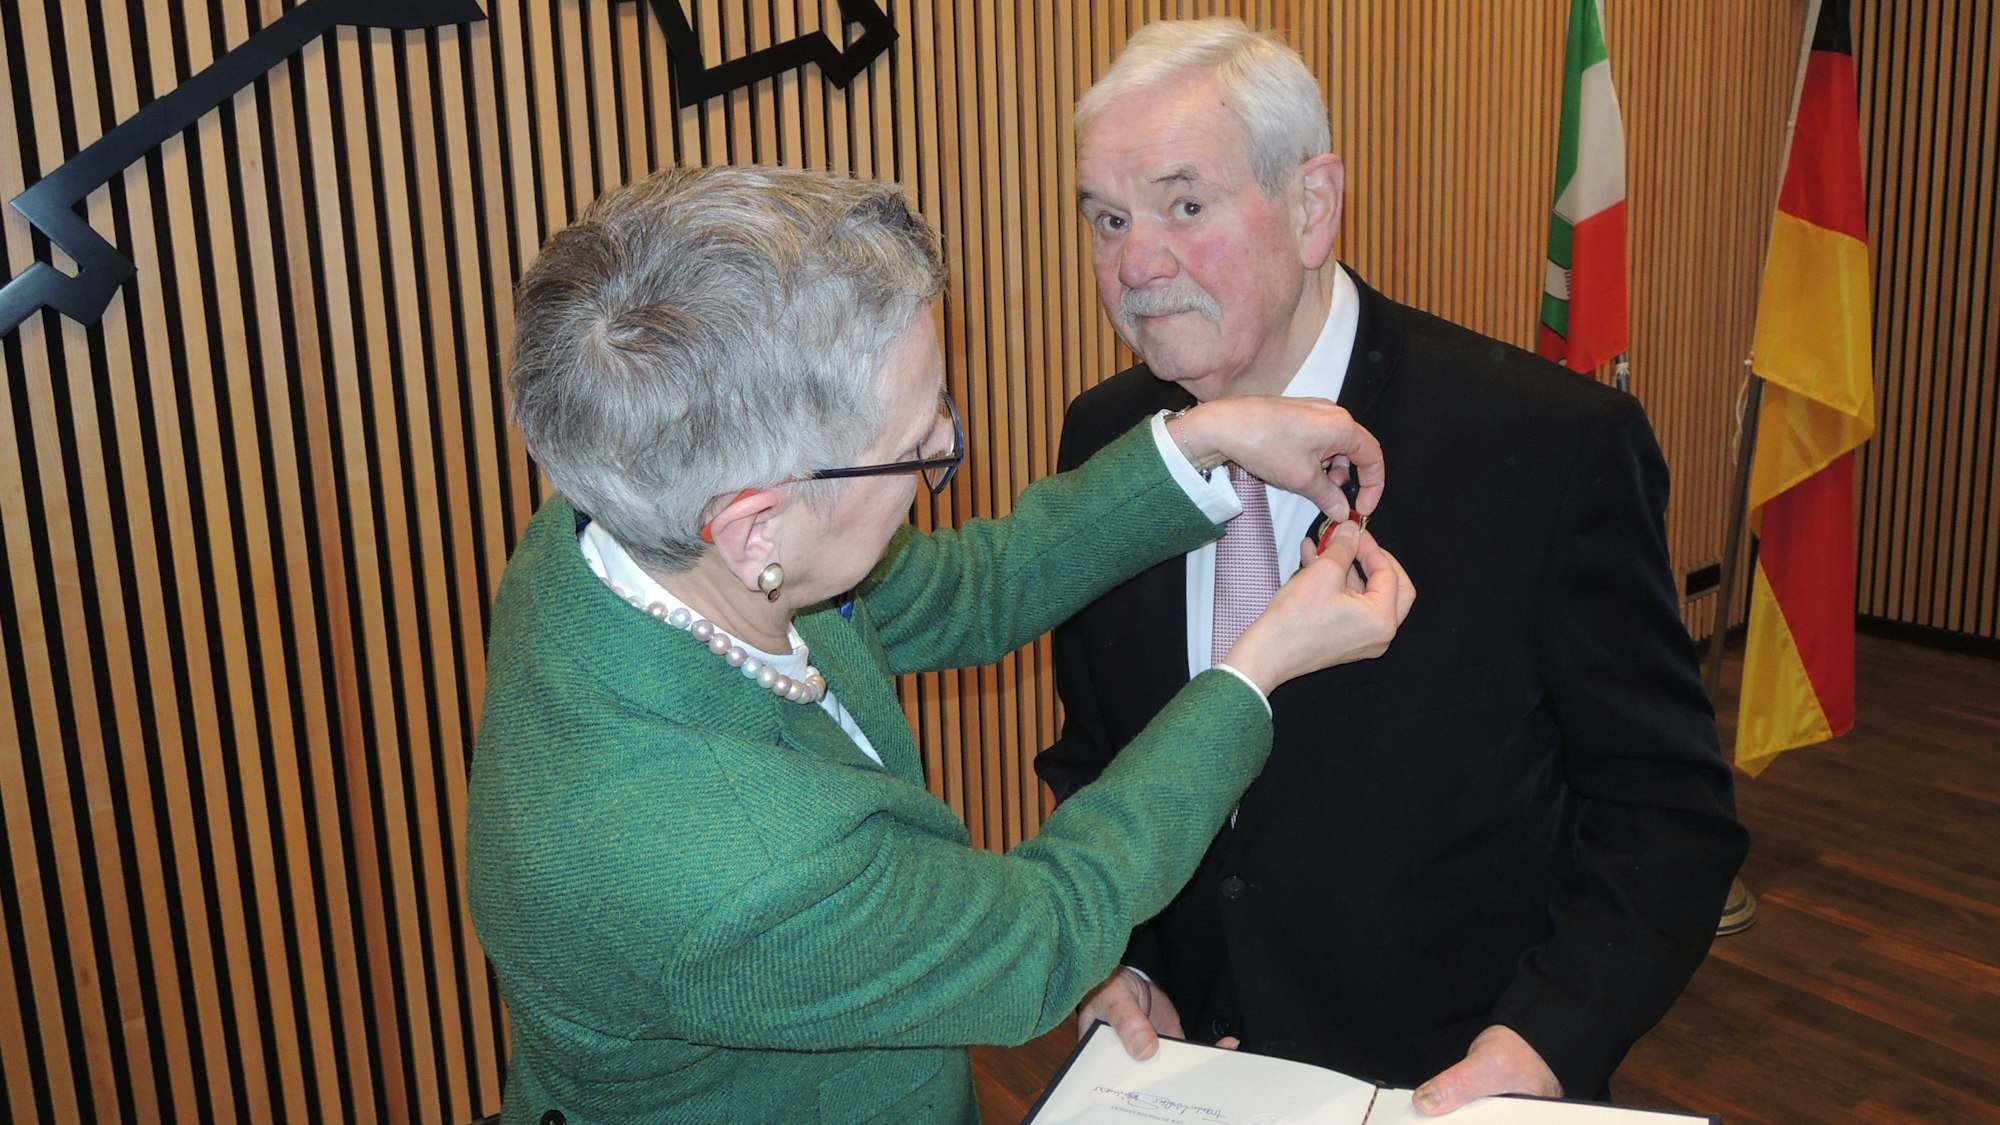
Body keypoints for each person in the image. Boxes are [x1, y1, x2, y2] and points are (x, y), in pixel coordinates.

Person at [464, 163, 1414, 1123]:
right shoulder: (740, 867)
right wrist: (1255, 668)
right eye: (921, 445)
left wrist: (1208, 436)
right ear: (758, 528)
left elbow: (972, 588)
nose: (938, 454)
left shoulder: (624, 525)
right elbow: (1043, 929)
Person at [1037, 17, 1750, 1115]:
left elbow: (1663, 814)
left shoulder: (1545, 446)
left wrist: (1539, 1046)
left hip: (1448, 1081)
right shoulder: (1106, 446)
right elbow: (1094, 752)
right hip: (1177, 1079)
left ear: (1312, 205)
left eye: (1186, 205)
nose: (1135, 264)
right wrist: (1113, 962)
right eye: (1107, 218)